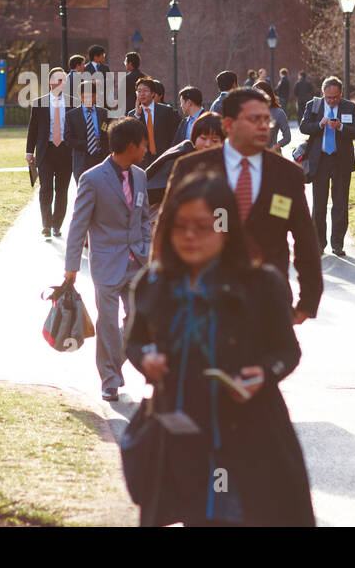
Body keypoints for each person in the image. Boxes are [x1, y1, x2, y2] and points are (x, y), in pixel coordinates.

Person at [125, 171, 315, 526]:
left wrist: (264, 373)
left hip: (241, 437)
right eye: (180, 225)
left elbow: (287, 352)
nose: (190, 236)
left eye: (203, 225)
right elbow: (135, 342)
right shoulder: (153, 282)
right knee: (184, 510)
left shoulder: (261, 284)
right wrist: (144, 358)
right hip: (174, 434)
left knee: (223, 512)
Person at [164, 88, 323, 324]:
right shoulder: (192, 168)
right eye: (254, 119)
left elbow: (305, 241)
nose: (264, 126)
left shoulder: (287, 174)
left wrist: (308, 302)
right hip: (205, 303)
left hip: (268, 303)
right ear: (229, 125)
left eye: (266, 119)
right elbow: (168, 234)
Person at [65, 117, 153, 402]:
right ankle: (110, 380)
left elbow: (142, 219)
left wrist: (147, 249)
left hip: (137, 262)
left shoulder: (140, 176)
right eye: (143, 144)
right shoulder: (91, 179)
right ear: (130, 145)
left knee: (137, 319)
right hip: (106, 263)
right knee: (107, 322)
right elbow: (78, 225)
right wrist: (71, 267)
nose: (146, 150)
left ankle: (113, 363)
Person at [299, 76, 355, 257]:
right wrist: (320, 124)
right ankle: (319, 243)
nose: (332, 101)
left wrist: (341, 126)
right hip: (320, 160)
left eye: (335, 97)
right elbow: (304, 127)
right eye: (329, 97)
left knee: (340, 203)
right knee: (319, 205)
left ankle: (337, 244)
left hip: (341, 160)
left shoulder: (349, 107)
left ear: (340, 94)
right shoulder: (314, 105)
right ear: (323, 94)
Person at [25, 67, 73, 238]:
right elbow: (33, 129)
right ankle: (46, 224)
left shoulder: (73, 103)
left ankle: (56, 225)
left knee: (62, 190)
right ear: (51, 82)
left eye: (64, 80)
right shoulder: (39, 103)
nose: (62, 83)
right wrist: (29, 151)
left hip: (66, 152)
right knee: (46, 188)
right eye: (58, 80)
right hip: (46, 151)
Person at [146, 111, 224, 209]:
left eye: (215, 140)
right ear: (194, 139)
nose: (208, 144)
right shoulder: (182, 161)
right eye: (203, 138)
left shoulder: (226, 166)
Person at [66, 78, 110, 181]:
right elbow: (68, 139)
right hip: (82, 160)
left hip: (101, 159)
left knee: (102, 193)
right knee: (84, 194)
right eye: (85, 96)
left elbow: (108, 133)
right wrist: (89, 143)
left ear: (96, 96)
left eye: (92, 96)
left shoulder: (104, 113)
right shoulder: (71, 116)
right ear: (79, 96)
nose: (89, 99)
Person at [131, 77, 180, 168]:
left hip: (164, 159)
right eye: (139, 91)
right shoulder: (133, 115)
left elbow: (174, 136)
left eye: (145, 91)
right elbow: (131, 136)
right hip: (142, 162)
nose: (142, 94)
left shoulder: (166, 111)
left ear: (153, 93)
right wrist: (137, 115)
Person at [254, 79, 293, 154]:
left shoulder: (278, 112)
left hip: (272, 155)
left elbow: (287, 137)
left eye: (259, 93)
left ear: (267, 94)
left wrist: (275, 147)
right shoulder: (250, 112)